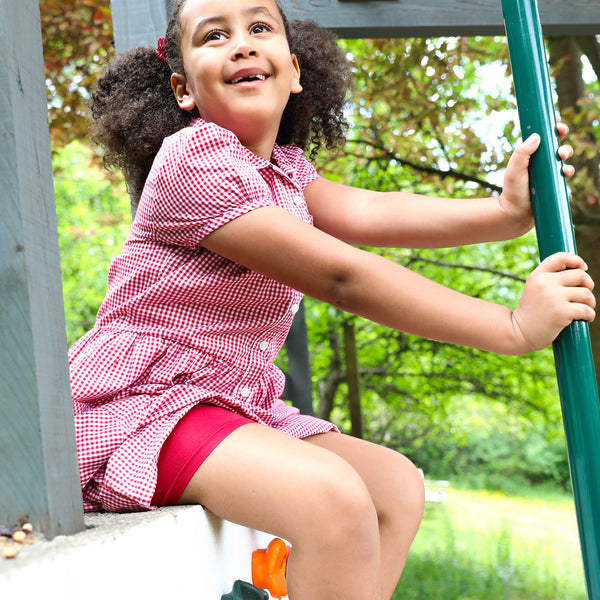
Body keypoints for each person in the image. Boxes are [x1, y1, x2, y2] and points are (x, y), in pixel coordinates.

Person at [71, 0, 596, 598]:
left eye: (260, 27)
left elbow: (372, 211)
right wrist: (512, 327)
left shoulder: (285, 171)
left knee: (394, 489)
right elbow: (341, 277)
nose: (242, 44)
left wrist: (503, 213)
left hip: (232, 398)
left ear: (294, 71)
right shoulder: (191, 160)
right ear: (183, 89)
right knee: (334, 499)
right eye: (214, 35)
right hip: (151, 402)